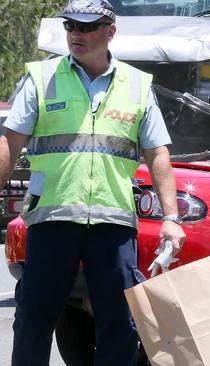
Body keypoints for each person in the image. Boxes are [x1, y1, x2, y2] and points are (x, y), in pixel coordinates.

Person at [0, 1, 186, 365]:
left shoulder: (137, 84)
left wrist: (171, 218)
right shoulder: (41, 76)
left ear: (110, 31)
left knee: (119, 325)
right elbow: (9, 142)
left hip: (112, 223)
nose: (76, 34)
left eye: (86, 27)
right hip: (53, 219)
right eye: (70, 26)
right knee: (34, 321)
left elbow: (158, 154)